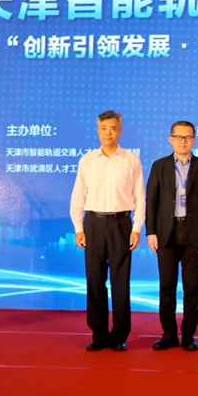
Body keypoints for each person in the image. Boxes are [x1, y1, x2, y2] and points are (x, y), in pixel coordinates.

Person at [70, 110, 145, 352]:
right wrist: (79, 228)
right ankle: (99, 334)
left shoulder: (131, 159)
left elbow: (140, 197)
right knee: (95, 280)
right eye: (103, 129)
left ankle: (119, 336)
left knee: (120, 282)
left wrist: (136, 228)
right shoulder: (87, 160)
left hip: (122, 223)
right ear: (97, 131)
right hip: (94, 223)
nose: (108, 133)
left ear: (120, 131)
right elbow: (78, 196)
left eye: (113, 128)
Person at [145, 121, 198, 352]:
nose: (183, 141)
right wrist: (151, 231)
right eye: (178, 137)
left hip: (194, 232)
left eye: (187, 137)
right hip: (166, 232)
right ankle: (168, 334)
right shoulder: (159, 166)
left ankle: (188, 335)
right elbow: (151, 201)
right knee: (166, 286)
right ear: (170, 139)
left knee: (191, 287)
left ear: (194, 140)